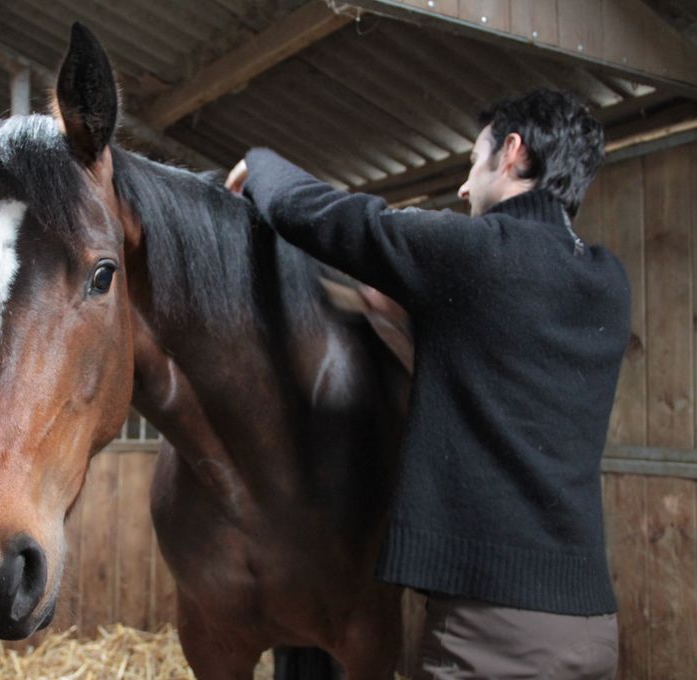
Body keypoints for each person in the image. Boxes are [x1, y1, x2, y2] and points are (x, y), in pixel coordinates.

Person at [225, 89, 628, 680]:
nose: (464, 188)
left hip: (492, 633)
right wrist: (405, 331)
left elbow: (320, 215)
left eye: (473, 161)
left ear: (512, 153)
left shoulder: (474, 252)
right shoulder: (607, 279)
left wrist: (260, 162)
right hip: (591, 625)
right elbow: (499, 379)